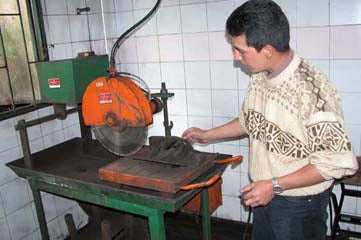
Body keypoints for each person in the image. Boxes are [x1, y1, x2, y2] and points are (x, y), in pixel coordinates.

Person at [182, 0, 358, 239]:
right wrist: (206, 134)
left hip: (299, 206)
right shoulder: (260, 74)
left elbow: (335, 162)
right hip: (267, 193)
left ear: (267, 50)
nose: (236, 57)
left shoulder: (312, 92)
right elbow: (249, 120)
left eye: (241, 50)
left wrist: (274, 185)